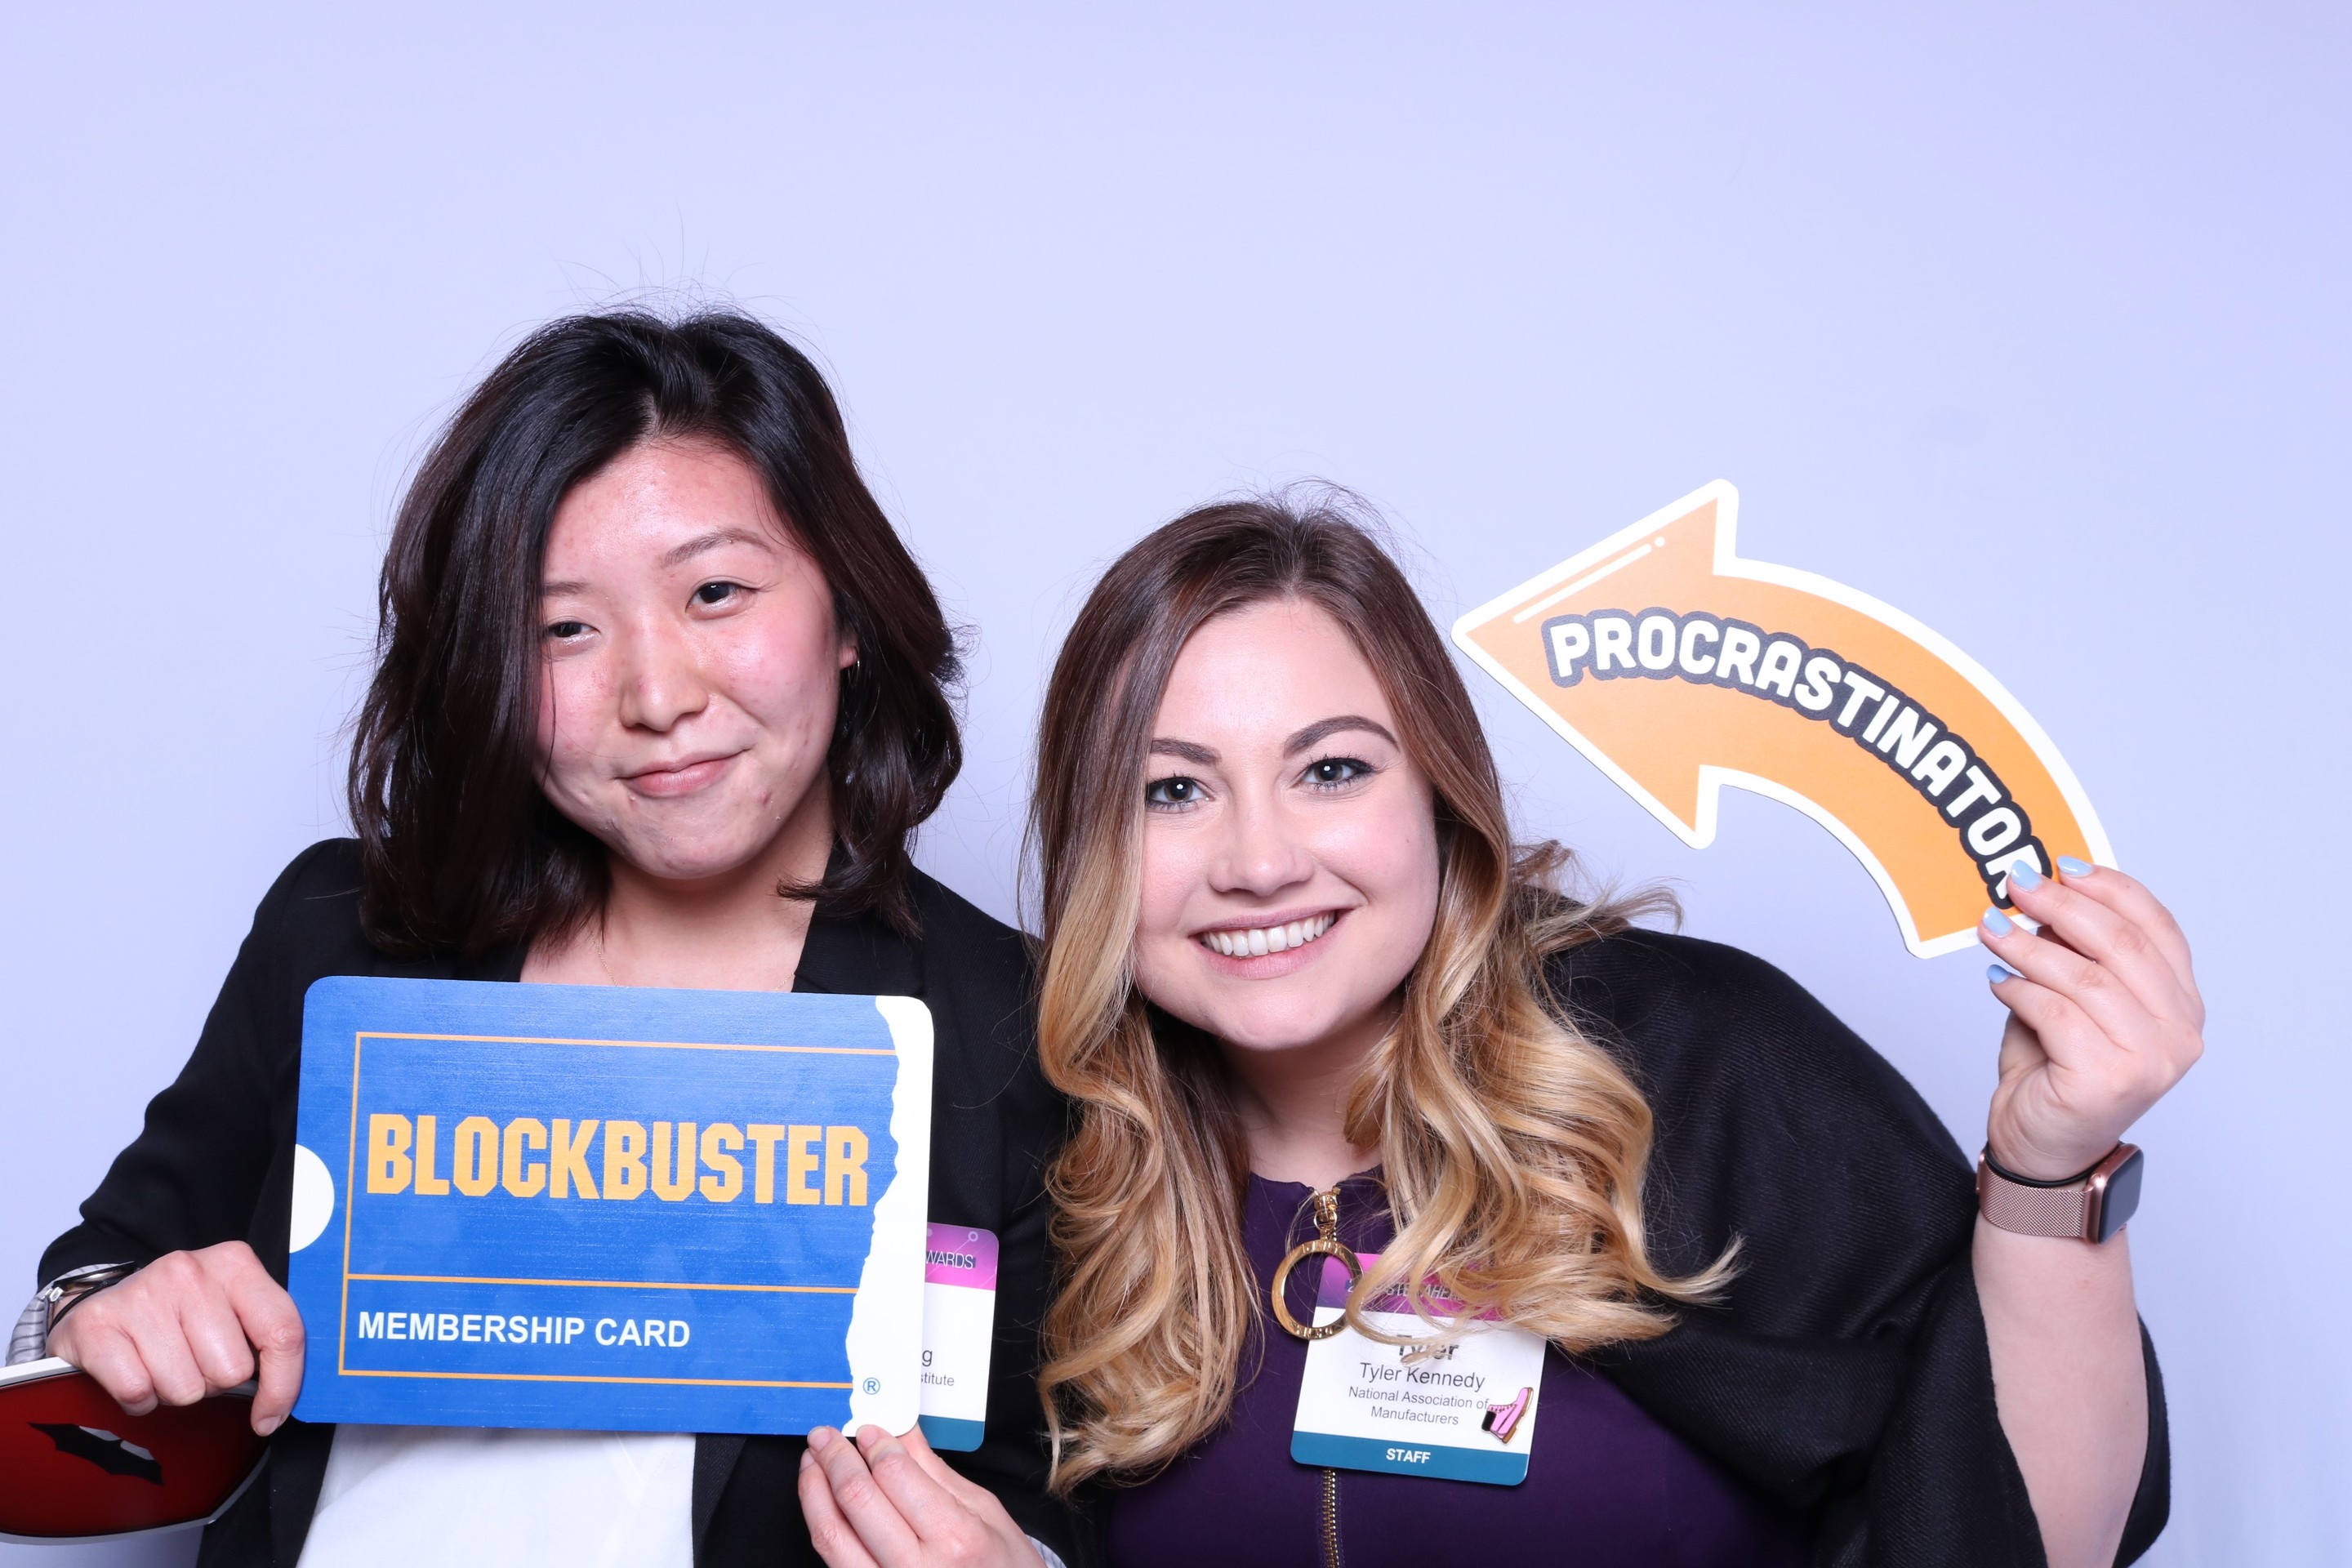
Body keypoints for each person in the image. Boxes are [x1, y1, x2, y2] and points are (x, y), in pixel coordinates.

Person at [798, 492, 2193, 1568]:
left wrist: (2049, 1176)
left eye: (1331, 770)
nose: (1259, 861)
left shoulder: (1696, 1068)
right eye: (1174, 792)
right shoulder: (1055, 1162)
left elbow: (2028, 1540)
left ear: (1438, 795)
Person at [16, 311, 1085, 1568]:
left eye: (716, 593)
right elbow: (100, 1271)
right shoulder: (339, 936)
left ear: (849, 613)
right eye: (562, 629)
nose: (658, 697)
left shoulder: (1015, 1034)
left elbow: (1058, 1495)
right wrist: (102, 1317)